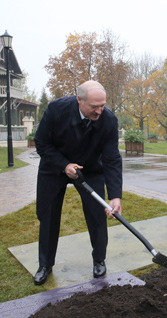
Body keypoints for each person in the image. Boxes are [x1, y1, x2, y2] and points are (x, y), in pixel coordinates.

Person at [33, 81, 122, 285]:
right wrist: (64, 165)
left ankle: (99, 260)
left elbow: (112, 159)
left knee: (97, 214)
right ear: (79, 100)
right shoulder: (56, 109)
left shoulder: (108, 120)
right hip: (55, 165)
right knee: (48, 215)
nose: (99, 111)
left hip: (90, 168)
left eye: (102, 106)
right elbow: (42, 143)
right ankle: (45, 264)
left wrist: (115, 195)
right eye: (94, 107)